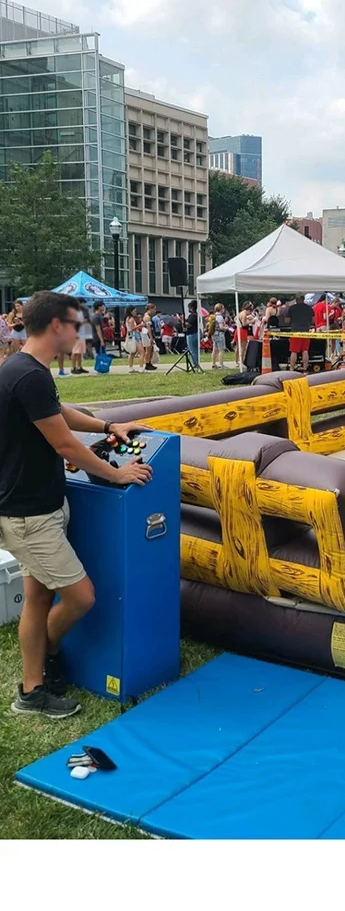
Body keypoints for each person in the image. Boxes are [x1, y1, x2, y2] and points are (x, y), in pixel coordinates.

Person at [0, 291, 151, 718]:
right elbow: (64, 441)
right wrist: (117, 473)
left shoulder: (23, 369)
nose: (79, 333)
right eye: (75, 324)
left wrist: (108, 424)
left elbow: (59, 413)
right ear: (55, 326)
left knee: (37, 599)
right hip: (30, 515)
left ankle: (33, 686)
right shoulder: (28, 375)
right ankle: (42, 667)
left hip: (34, 506)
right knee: (82, 596)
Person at [286, 294, 314, 372]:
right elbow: (313, 320)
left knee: (294, 351)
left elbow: (287, 320)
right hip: (306, 330)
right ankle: (305, 369)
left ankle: (292, 369)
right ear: (303, 299)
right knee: (305, 350)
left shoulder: (292, 308)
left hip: (295, 331)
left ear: (296, 299)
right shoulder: (309, 308)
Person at [70, 304, 91, 374]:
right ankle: (73, 367)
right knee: (75, 351)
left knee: (80, 352)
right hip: (76, 334)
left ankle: (79, 367)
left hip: (82, 334)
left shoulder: (82, 312)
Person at [208, 303, 227, 369]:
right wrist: (226, 328)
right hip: (220, 334)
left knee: (214, 350)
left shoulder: (213, 316)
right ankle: (221, 364)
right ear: (221, 309)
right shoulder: (220, 317)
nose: (224, 309)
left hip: (214, 334)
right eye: (223, 308)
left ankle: (213, 364)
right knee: (221, 350)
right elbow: (221, 327)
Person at [124, 307, 143, 374]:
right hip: (135, 336)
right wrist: (140, 325)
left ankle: (131, 368)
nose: (135, 312)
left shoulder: (127, 318)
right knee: (141, 352)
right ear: (131, 311)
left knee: (132, 353)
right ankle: (141, 368)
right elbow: (132, 328)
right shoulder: (131, 319)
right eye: (134, 311)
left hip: (131, 336)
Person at [184, 301, 200, 366]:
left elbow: (188, 324)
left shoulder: (193, 315)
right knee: (195, 350)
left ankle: (194, 363)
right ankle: (195, 362)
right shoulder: (196, 315)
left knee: (192, 350)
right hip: (195, 333)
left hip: (192, 334)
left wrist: (182, 321)